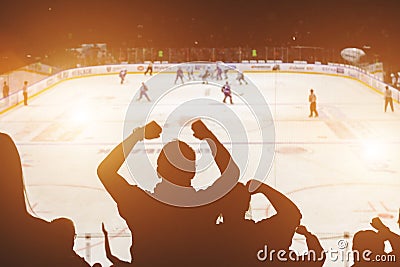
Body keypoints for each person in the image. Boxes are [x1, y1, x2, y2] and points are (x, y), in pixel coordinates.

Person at [97, 120, 240, 266]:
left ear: (159, 169)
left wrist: (138, 135)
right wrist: (208, 137)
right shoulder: (203, 205)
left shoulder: (141, 205)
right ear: (193, 172)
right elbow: (232, 175)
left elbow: (105, 171)